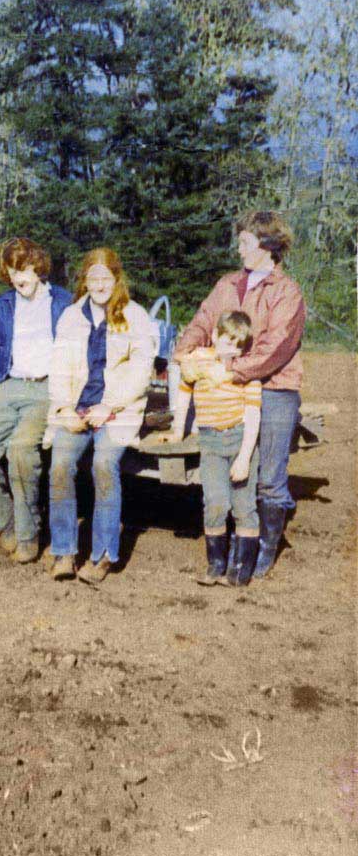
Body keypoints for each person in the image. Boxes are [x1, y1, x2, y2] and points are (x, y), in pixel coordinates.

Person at [173, 211, 305, 580]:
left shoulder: (287, 291)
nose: (239, 248)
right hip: (225, 382)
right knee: (228, 466)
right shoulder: (227, 284)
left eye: (245, 242)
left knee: (269, 475)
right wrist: (184, 356)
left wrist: (229, 371)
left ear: (267, 246)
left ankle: (263, 548)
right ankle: (229, 545)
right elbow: (203, 321)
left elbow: (276, 347)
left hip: (274, 386)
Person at [45, 248, 155, 585]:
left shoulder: (134, 317)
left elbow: (142, 369)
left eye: (106, 277)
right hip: (76, 407)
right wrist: (64, 407)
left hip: (117, 410)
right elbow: (60, 368)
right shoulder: (71, 317)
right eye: (93, 278)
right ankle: (64, 551)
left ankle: (104, 553)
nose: (99, 284)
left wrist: (111, 406)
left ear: (116, 279)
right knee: (61, 466)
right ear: (85, 281)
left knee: (104, 465)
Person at [0, 237, 72, 564]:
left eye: (23, 269)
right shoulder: (3, 305)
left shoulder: (63, 303)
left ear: (38, 268)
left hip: (46, 387)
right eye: (11, 270)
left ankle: (28, 534)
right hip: (9, 384)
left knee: (22, 451)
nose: (18, 277)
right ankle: (6, 523)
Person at [161, 311, 262, 585]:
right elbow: (184, 392)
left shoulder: (247, 371)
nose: (231, 349)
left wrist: (244, 457)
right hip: (211, 442)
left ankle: (240, 569)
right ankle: (216, 564)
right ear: (216, 336)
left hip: (240, 439)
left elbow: (253, 416)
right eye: (227, 341)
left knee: (243, 506)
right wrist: (177, 429)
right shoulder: (199, 362)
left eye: (238, 345)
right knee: (215, 503)